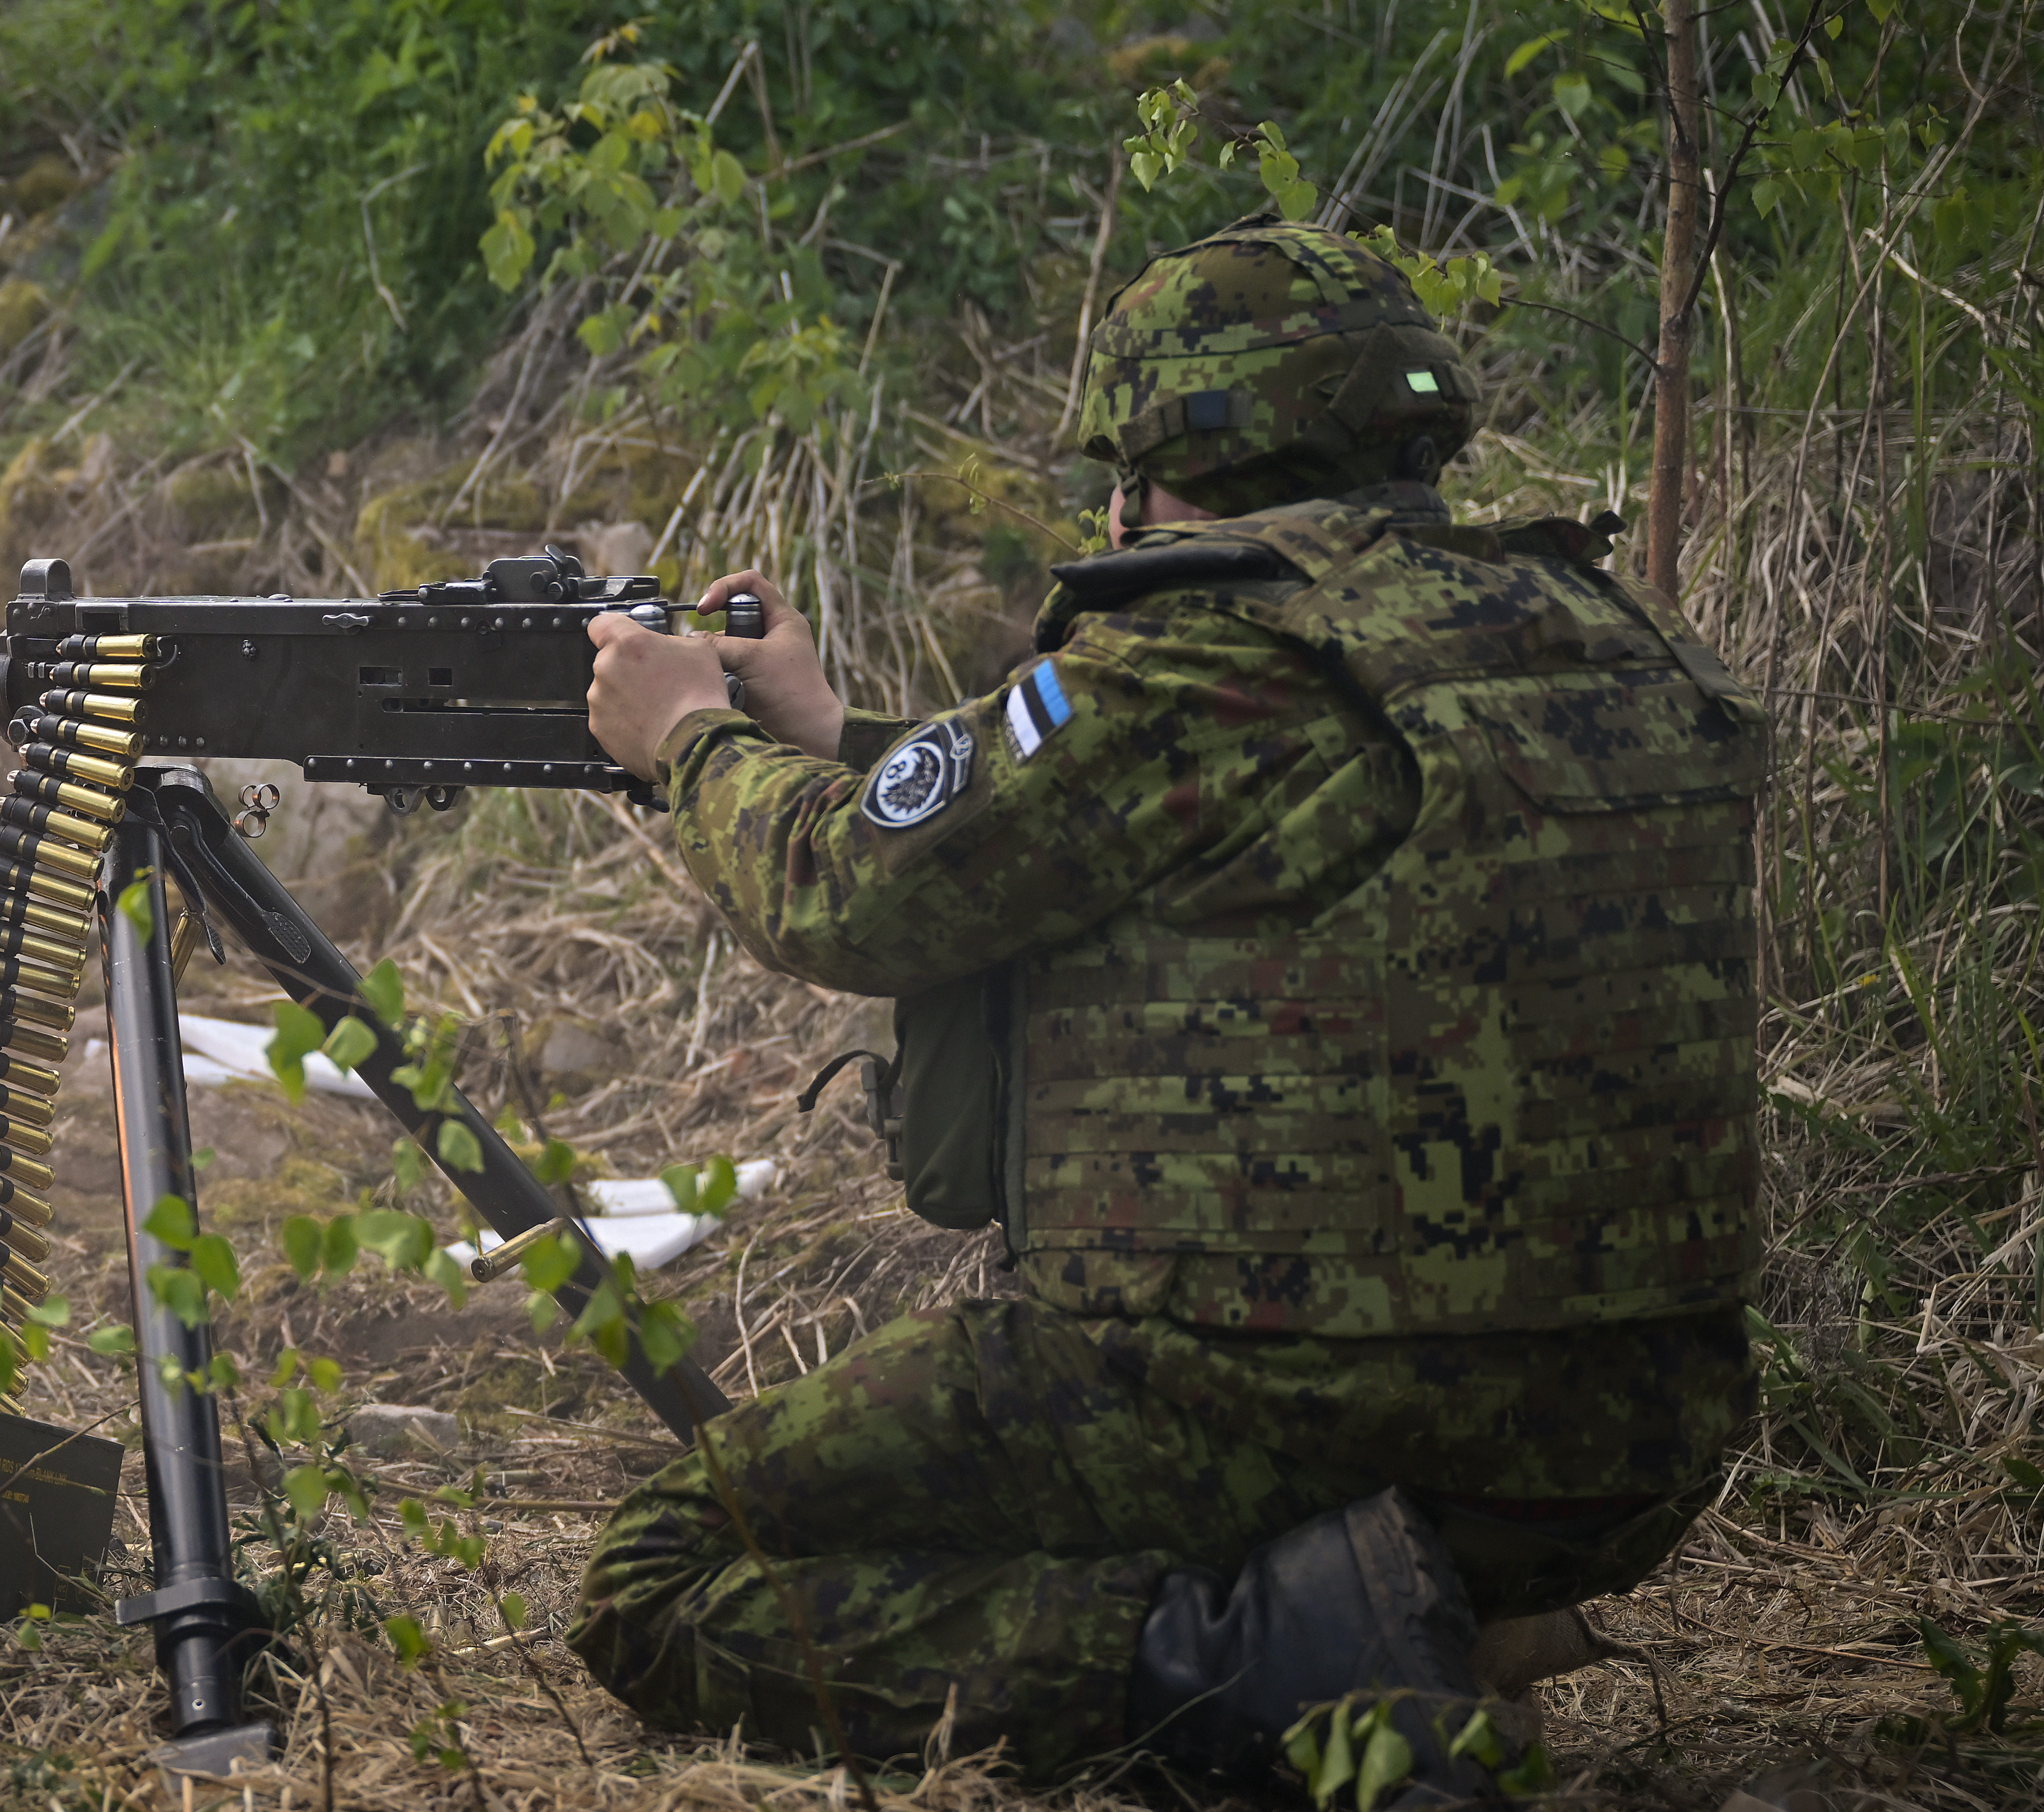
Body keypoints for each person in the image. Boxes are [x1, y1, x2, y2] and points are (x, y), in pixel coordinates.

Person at [570, 219, 1768, 1800]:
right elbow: (1070, 818)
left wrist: (693, 743)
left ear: (1150, 466)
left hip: (1264, 1406)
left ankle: (1277, 1660)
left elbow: (842, 896)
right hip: (1632, 1442)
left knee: (657, 1578)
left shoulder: (1192, 656)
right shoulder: (1609, 630)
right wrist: (828, 729)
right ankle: (1443, 1606)